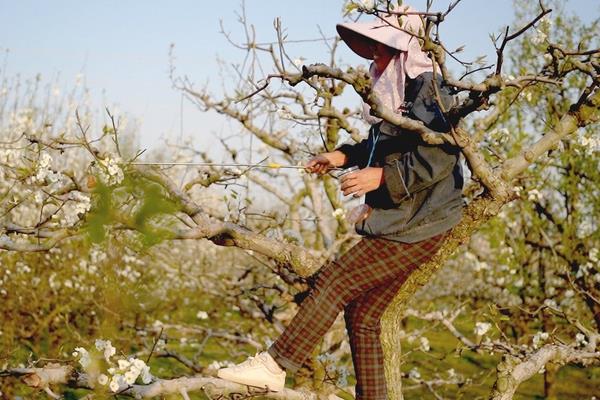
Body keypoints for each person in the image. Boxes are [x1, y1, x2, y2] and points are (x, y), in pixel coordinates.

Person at [217, 6, 464, 399]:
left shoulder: (428, 88)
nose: (375, 58)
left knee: (335, 280)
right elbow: (385, 143)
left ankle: (276, 365)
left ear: (404, 51)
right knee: (363, 314)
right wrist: (342, 156)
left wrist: (382, 176)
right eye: (373, 49)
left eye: (383, 49)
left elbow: (441, 155)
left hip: (421, 220)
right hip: (411, 218)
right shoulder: (402, 90)